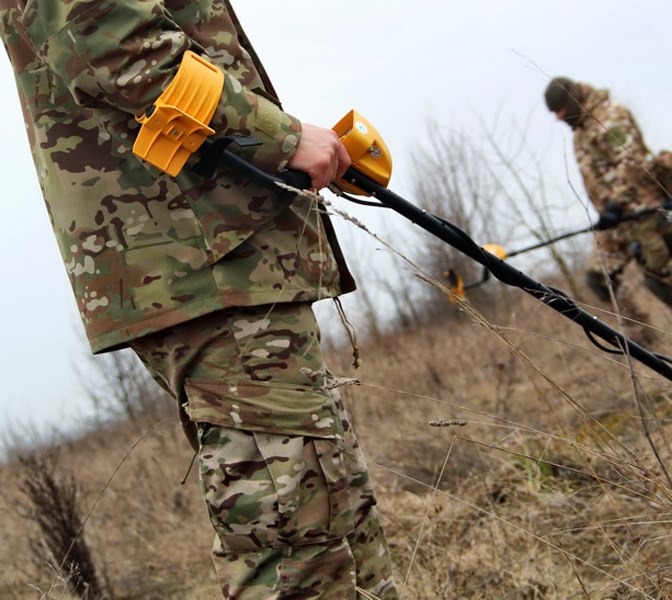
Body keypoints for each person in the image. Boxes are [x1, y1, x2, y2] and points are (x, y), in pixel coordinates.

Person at [0, 2, 397, 598]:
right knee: (297, 541)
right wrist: (279, 137)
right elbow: (109, 38)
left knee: (335, 518)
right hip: (200, 254)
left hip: (217, 255)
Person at [544, 76, 672, 345]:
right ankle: (644, 341)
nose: (558, 118)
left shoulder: (609, 117)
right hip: (614, 223)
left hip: (641, 212)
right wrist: (606, 210)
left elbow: (631, 161)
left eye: (560, 111)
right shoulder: (580, 131)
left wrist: (615, 203)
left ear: (572, 101)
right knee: (599, 278)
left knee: (659, 279)